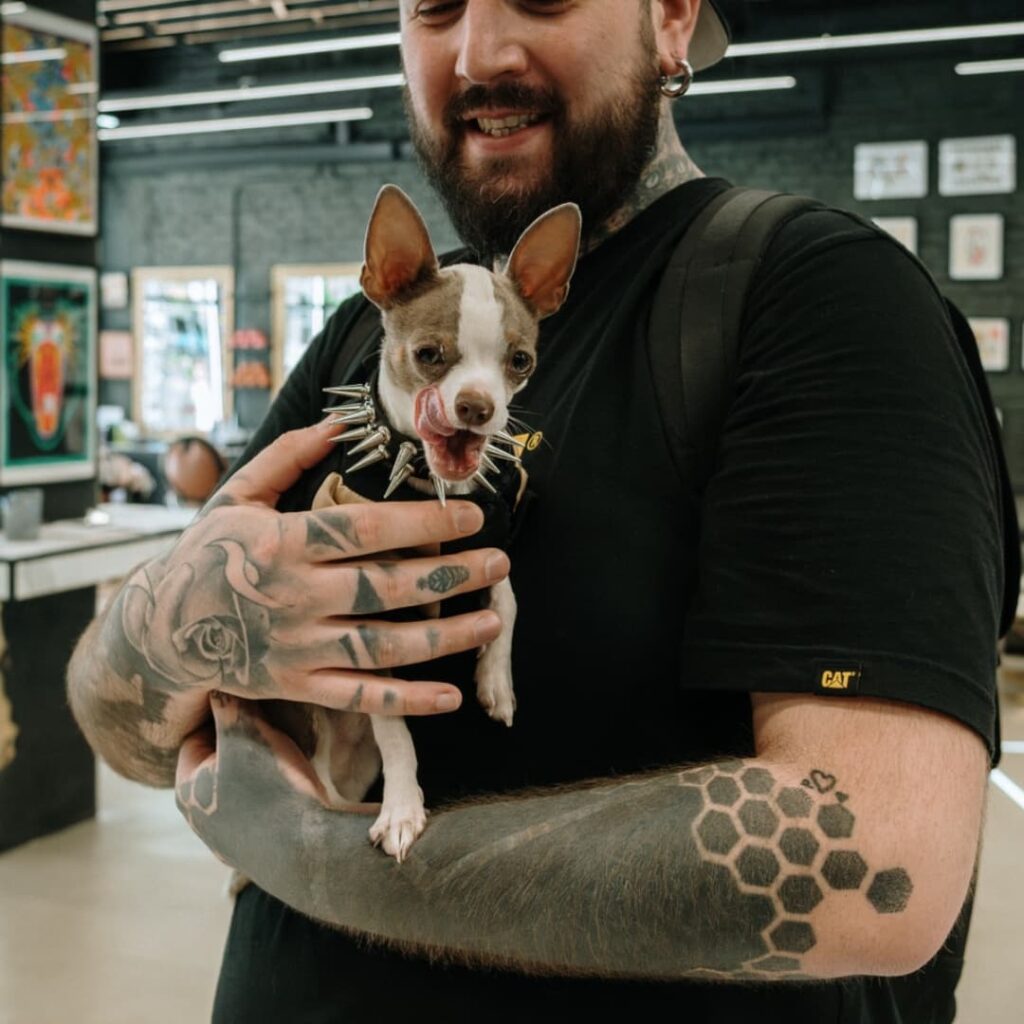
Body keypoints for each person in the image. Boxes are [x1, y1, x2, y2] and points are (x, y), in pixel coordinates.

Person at [66, 2, 1005, 1021]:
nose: (477, 53)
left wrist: (317, 857)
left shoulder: (818, 297)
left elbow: (874, 861)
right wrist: (176, 620)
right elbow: (121, 728)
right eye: (433, 7)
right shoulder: (366, 341)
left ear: (673, 15)